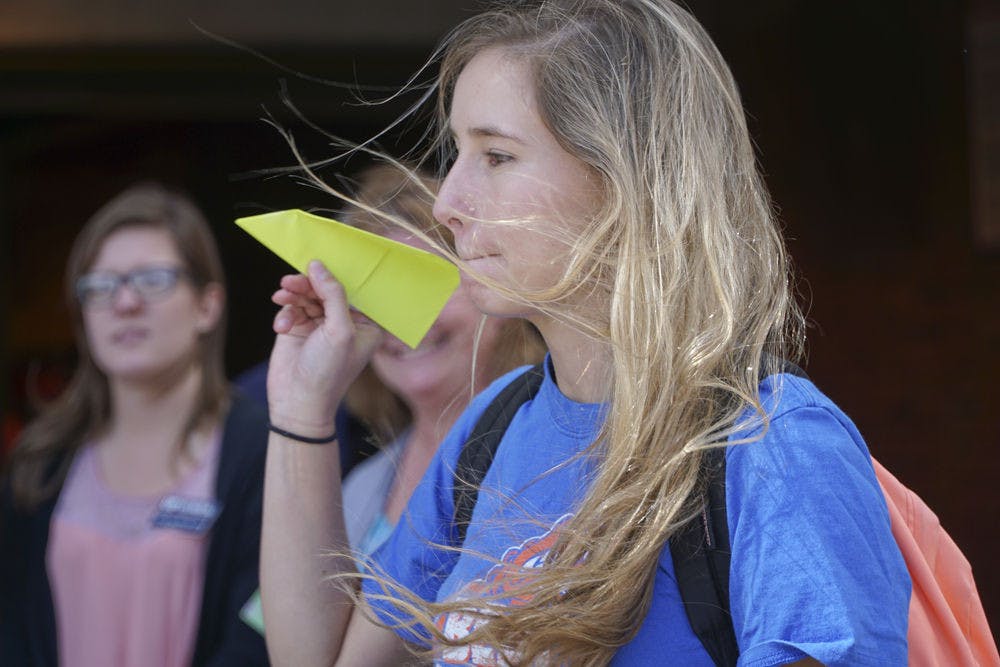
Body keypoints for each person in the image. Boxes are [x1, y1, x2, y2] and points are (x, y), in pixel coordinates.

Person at [259, 1, 911, 665]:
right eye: (457, 153)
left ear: (627, 177)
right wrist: (301, 407)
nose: (448, 205)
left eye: (496, 156)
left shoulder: (770, 439)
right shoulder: (493, 427)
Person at [0, 182, 270, 666]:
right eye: (100, 288)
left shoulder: (261, 452)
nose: (124, 303)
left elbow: (263, 633)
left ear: (208, 305)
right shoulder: (41, 462)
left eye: (152, 280)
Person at [336, 164, 546, 555]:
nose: (403, 322)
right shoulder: (361, 484)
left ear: (492, 289)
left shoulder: (550, 454)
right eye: (376, 295)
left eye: (425, 284)